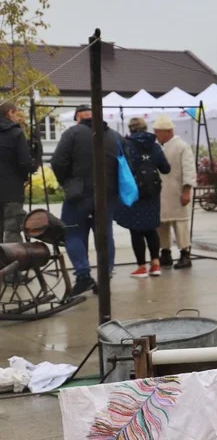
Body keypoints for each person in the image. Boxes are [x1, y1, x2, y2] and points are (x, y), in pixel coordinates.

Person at [51, 104, 119, 296]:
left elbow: (57, 161)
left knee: (72, 233)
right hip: (107, 195)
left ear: (78, 118)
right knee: (105, 235)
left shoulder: (72, 134)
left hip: (78, 194)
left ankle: (83, 275)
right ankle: (104, 277)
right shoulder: (114, 136)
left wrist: (68, 182)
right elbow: (125, 162)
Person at [115, 118, 171, 278]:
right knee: (151, 228)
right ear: (146, 128)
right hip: (152, 191)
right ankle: (156, 265)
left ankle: (141, 267)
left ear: (131, 129)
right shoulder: (154, 145)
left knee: (136, 229)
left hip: (134, 191)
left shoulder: (126, 145)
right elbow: (166, 169)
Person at [153, 115, 196, 269]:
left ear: (167, 131)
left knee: (181, 223)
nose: (155, 134)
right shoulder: (157, 146)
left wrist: (187, 191)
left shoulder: (182, 146)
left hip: (177, 192)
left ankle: (185, 254)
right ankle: (165, 253)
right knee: (161, 223)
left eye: (157, 131)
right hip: (160, 193)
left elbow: (189, 170)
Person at [0, 100, 33, 243]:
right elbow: (24, 162)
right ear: (9, 113)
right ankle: (12, 262)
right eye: (16, 113)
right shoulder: (16, 133)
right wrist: (26, 176)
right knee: (12, 229)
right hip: (11, 190)